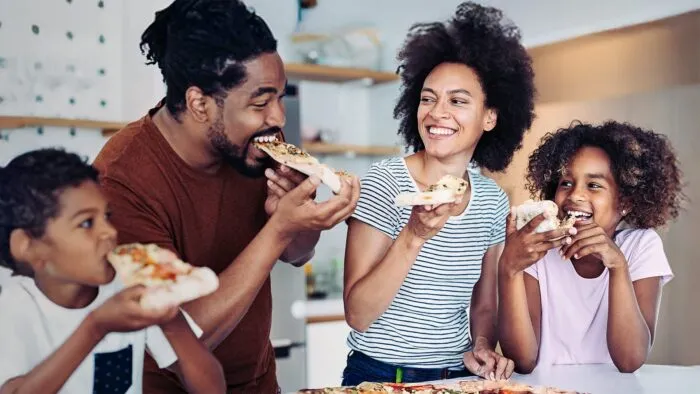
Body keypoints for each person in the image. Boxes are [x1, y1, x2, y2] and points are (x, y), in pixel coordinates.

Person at [93, 0, 360, 392]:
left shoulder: (258, 144)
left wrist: (302, 214)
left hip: (258, 382)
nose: (279, 118)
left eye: (281, 97)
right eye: (261, 101)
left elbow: (298, 253)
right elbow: (180, 343)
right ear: (200, 104)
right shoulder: (120, 181)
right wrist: (279, 229)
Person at [342, 2, 536, 385]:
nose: (436, 112)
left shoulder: (492, 201)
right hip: (380, 376)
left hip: (454, 378)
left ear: (490, 117)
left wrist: (482, 345)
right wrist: (413, 236)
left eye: (458, 101)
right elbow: (358, 314)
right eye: (428, 98)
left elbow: (484, 304)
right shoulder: (385, 182)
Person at [0, 148, 225, 394]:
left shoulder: (130, 287)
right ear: (29, 247)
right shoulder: (13, 308)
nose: (110, 232)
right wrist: (95, 328)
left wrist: (170, 321)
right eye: (86, 223)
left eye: (107, 216)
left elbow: (212, 389)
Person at [498, 120, 684, 373]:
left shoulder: (641, 245)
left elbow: (630, 360)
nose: (575, 195)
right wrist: (509, 268)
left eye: (594, 185)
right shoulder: (539, 249)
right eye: (565, 183)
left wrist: (618, 266)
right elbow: (523, 360)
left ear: (625, 202)